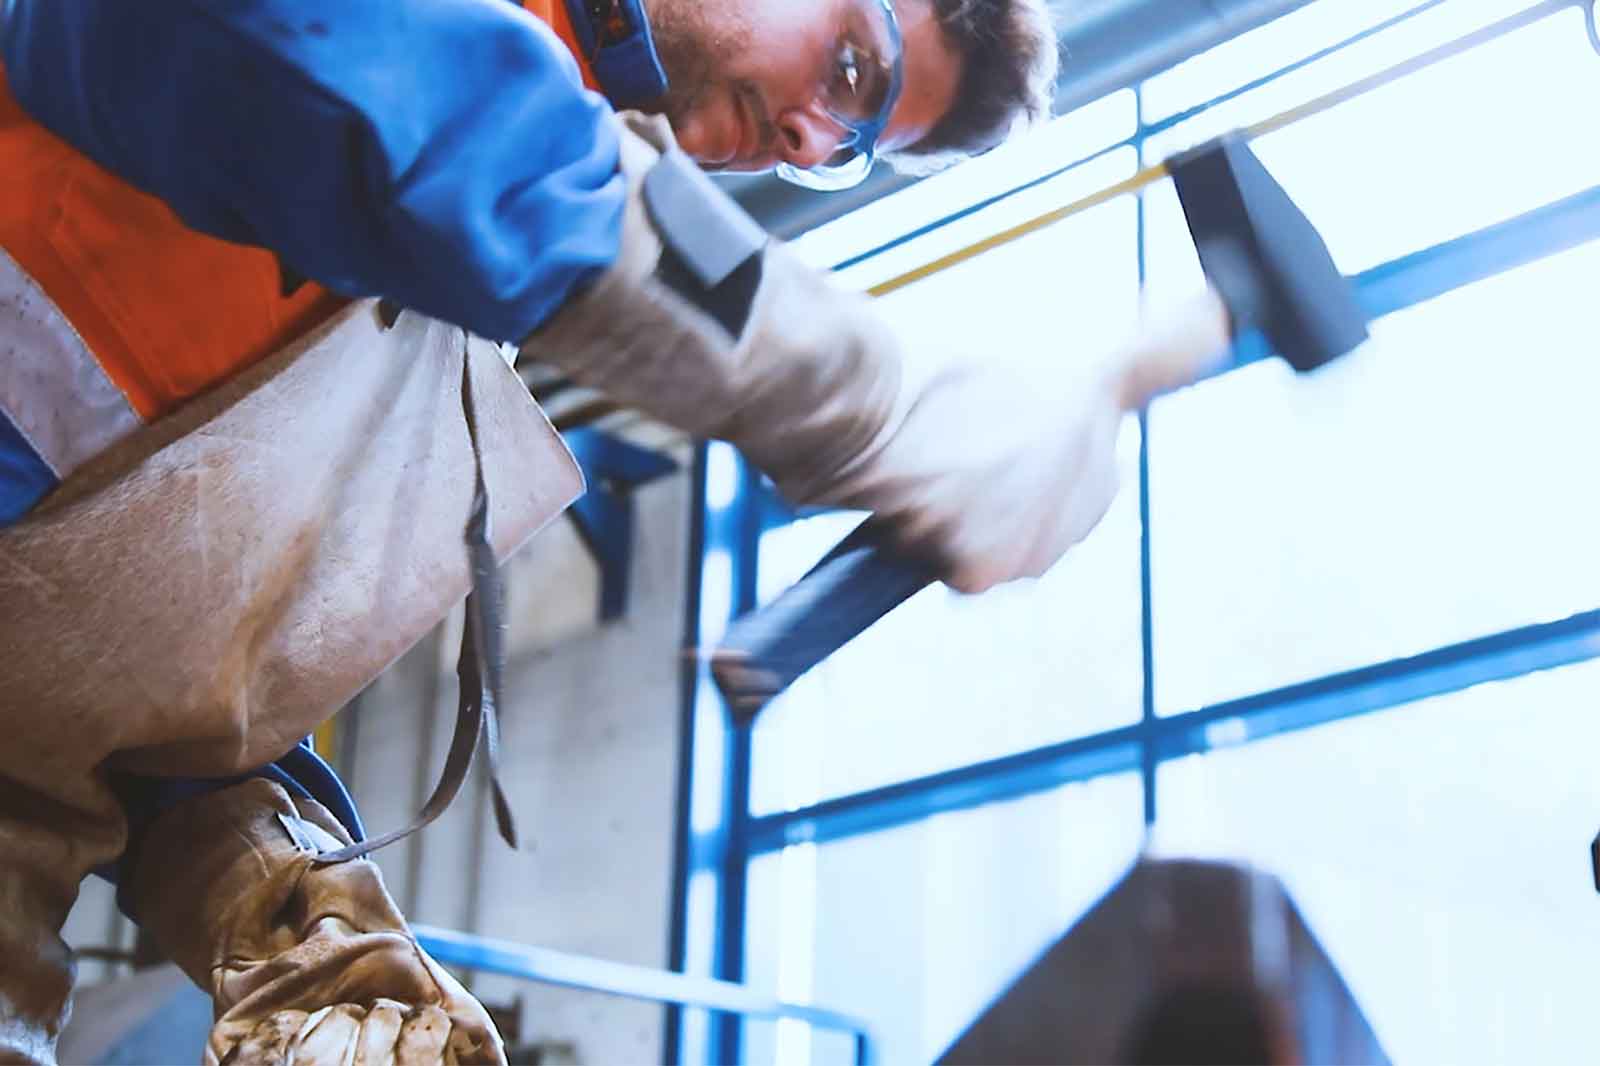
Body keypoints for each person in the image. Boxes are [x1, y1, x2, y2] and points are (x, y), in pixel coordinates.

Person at [0, 1, 1240, 1062]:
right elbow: (361, 81)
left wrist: (290, 903)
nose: (809, 132)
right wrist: (876, 404)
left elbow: (125, 671)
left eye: (845, 150)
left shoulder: (422, 327)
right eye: (851, 64)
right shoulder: (477, 145)